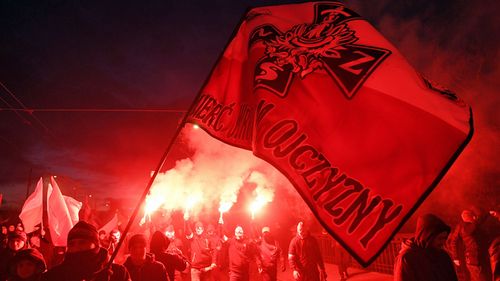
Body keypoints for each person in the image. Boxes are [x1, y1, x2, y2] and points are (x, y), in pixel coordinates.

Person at [42, 221, 130, 281]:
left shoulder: (118, 273)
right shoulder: (54, 276)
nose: (76, 248)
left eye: (82, 243)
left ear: (96, 246)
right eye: (72, 244)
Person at [394, 213, 458, 281]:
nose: (443, 242)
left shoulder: (443, 255)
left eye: (445, 238)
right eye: (440, 238)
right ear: (427, 237)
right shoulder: (407, 258)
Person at [450, 209, 493, 281]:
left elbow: (453, 241)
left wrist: (455, 258)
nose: (475, 218)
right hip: (474, 260)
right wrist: (488, 213)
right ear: (471, 217)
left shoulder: (460, 227)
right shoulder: (470, 226)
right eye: (473, 216)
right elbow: (479, 221)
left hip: (471, 259)